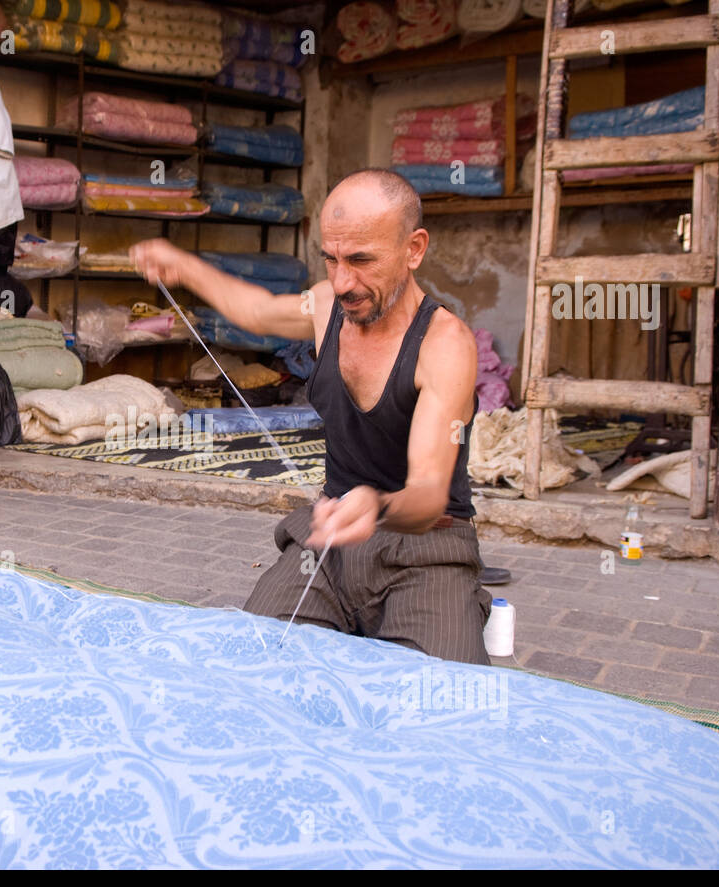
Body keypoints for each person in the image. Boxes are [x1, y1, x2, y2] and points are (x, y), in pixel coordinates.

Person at [130, 167, 493, 664]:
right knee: (255, 663)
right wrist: (183, 266)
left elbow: (430, 494)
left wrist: (376, 507)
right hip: (328, 546)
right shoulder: (326, 304)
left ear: (414, 249)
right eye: (332, 259)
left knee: (438, 699)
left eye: (362, 260)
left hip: (427, 550)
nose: (343, 282)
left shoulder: (445, 344)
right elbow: (258, 311)